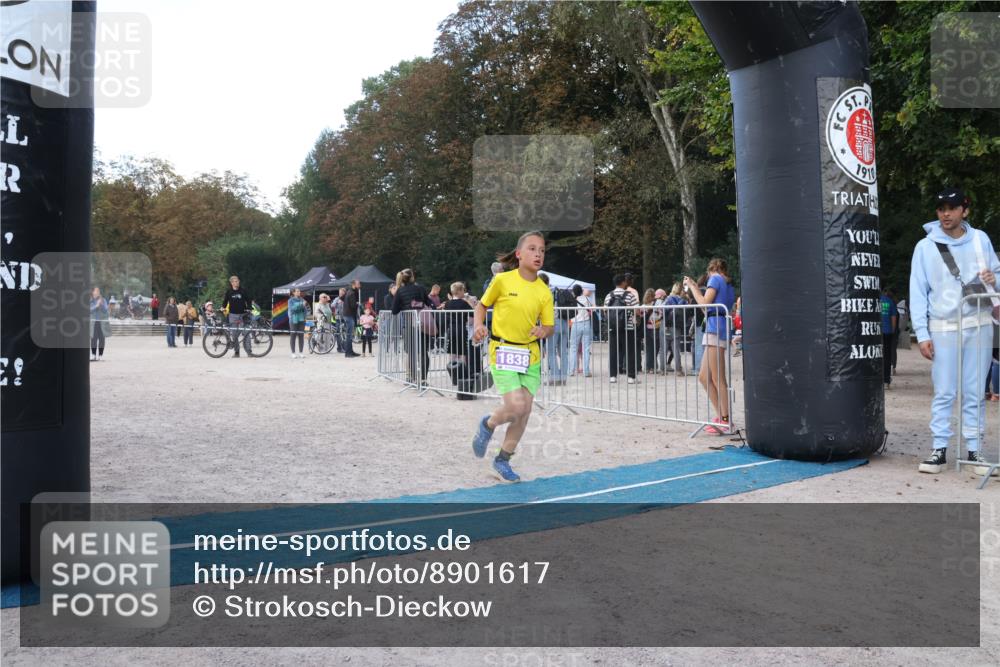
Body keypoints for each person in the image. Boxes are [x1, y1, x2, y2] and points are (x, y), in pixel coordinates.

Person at [910, 187, 999, 473]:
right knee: (945, 390)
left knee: (974, 390)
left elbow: (996, 279)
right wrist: (922, 334)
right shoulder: (925, 247)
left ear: (965, 210)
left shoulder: (981, 240)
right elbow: (917, 292)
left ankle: (974, 451)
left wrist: (993, 279)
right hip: (944, 326)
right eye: (940, 208)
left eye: (951, 207)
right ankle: (939, 449)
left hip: (979, 323)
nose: (945, 213)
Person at [471, 231, 554, 482]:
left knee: (525, 410)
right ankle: (488, 424)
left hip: (531, 355)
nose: (538, 254)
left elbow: (550, 327)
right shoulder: (502, 281)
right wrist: (478, 325)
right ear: (519, 254)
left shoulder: (544, 291)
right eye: (532, 249)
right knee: (516, 406)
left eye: (541, 250)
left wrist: (543, 330)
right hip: (503, 350)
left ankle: (502, 459)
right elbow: (482, 306)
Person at [684, 258, 736, 435]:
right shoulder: (728, 284)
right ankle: (722, 417)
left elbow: (705, 303)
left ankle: (726, 420)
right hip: (717, 327)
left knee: (717, 377)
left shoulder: (715, 279)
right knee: (704, 377)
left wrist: (692, 287)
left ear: (711, 270)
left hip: (715, 329)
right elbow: (710, 307)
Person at [392, 268, 434, 386]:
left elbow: (394, 310)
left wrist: (404, 306)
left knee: (410, 352)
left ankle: (411, 378)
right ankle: (423, 379)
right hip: (422, 323)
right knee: (423, 352)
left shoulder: (400, 291)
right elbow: (427, 301)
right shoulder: (420, 288)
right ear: (412, 277)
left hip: (409, 324)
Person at [604, 274, 640, 384]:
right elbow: (637, 311)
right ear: (623, 282)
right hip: (627, 327)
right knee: (629, 352)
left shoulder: (609, 296)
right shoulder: (629, 295)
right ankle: (631, 377)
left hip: (613, 328)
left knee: (613, 352)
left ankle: (613, 376)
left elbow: (605, 311)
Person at [222, 275, 252, 358]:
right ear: (231, 283)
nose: (237, 282)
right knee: (234, 334)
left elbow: (248, 300)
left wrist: (249, 308)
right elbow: (225, 301)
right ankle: (236, 352)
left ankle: (249, 351)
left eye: (238, 281)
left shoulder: (243, 291)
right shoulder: (229, 292)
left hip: (243, 315)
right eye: (235, 281)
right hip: (233, 315)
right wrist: (223, 307)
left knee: (246, 333)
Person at [568, 284, 592, 377]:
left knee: (573, 348)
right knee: (586, 349)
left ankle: (571, 371)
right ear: (581, 291)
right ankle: (586, 371)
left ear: (573, 292)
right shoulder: (587, 299)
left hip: (576, 324)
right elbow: (591, 309)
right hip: (586, 323)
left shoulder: (572, 300)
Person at [664, 283, 687, 375]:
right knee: (676, 349)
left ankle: (663, 369)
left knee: (664, 348)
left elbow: (665, 312)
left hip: (668, 325)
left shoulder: (669, 299)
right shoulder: (683, 300)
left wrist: (665, 324)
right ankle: (678, 370)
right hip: (678, 326)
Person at [879, 289, 898, 388]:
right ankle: (886, 381)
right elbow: (893, 317)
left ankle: (877, 379)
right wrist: (893, 330)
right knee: (887, 356)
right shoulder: (890, 301)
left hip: (876, 333)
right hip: (887, 332)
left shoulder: (875, 301)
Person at [641, 288, 661, 374]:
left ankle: (648, 367)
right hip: (655, 328)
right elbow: (660, 316)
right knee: (655, 349)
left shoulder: (642, 307)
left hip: (646, 329)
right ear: (653, 296)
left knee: (648, 349)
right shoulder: (656, 306)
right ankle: (653, 367)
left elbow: (641, 317)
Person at [89, 287, 110, 361]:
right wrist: (96, 306)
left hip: (102, 322)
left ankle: (100, 355)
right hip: (93, 322)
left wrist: (101, 304)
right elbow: (89, 310)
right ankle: (93, 355)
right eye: (96, 291)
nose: (97, 292)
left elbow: (105, 311)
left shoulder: (103, 300)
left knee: (102, 339)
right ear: (93, 292)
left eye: (98, 291)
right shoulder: (90, 301)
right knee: (93, 339)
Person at [342, 279, 361, 358]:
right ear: (354, 284)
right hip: (349, 315)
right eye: (358, 283)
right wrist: (358, 304)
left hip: (348, 315)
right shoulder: (352, 293)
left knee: (350, 334)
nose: (360, 285)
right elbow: (353, 305)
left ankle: (351, 351)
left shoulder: (349, 291)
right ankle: (348, 353)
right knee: (349, 335)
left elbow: (342, 298)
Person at [287, 287, 307, 359]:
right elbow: (292, 309)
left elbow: (305, 310)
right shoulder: (290, 300)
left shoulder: (302, 299)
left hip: (301, 320)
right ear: (293, 292)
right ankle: (293, 353)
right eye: (297, 291)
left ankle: (301, 352)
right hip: (293, 320)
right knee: (293, 336)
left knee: (301, 336)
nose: (299, 292)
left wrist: (305, 317)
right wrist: (301, 304)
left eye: (299, 291)